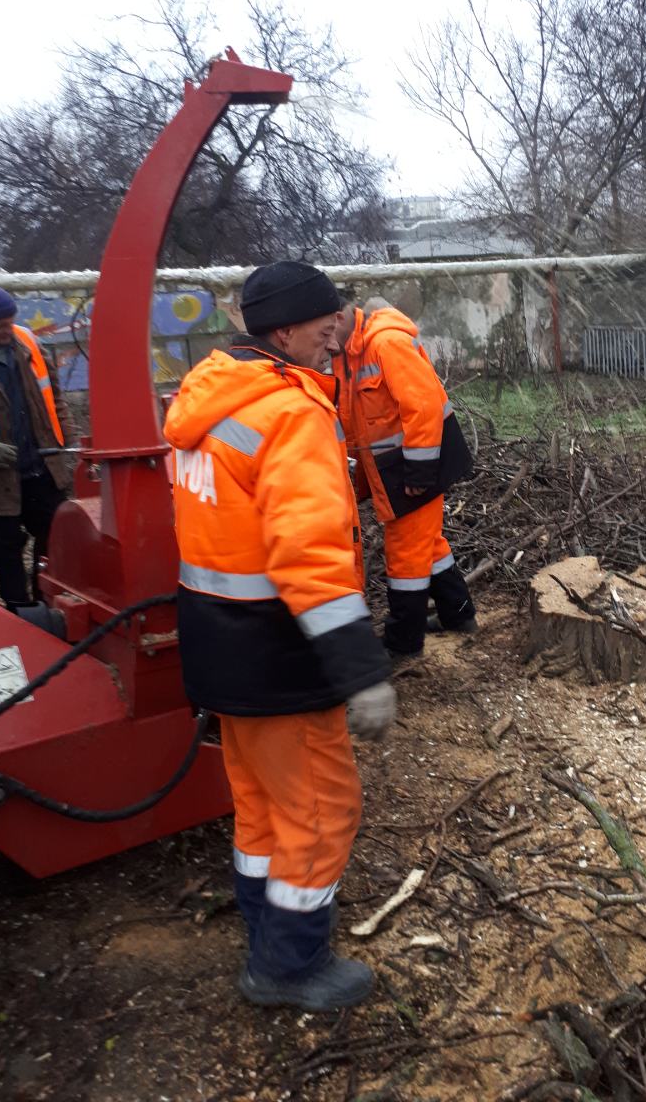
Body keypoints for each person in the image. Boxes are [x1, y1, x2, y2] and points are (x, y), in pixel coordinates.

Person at [163, 261, 396, 1013]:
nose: (339, 335)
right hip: (280, 656)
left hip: (221, 649)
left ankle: (266, 928)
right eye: (327, 324)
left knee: (260, 806)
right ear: (286, 329)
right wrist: (362, 669)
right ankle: (289, 966)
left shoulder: (209, 397)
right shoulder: (289, 414)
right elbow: (311, 560)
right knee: (323, 811)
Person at [332, 296, 476, 660]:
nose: (319, 339)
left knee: (406, 556)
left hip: (416, 465)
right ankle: (458, 616)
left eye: (321, 329)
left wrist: (420, 471)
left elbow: (423, 406)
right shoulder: (348, 351)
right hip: (399, 468)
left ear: (338, 317)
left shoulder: (385, 343)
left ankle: (403, 643)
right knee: (428, 544)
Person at [0, 287, 71, 611]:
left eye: (10, 323)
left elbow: (55, 399)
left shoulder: (27, 343)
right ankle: (21, 617)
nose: (7, 331)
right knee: (5, 552)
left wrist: (66, 445)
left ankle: (47, 609)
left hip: (41, 466)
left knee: (55, 540)